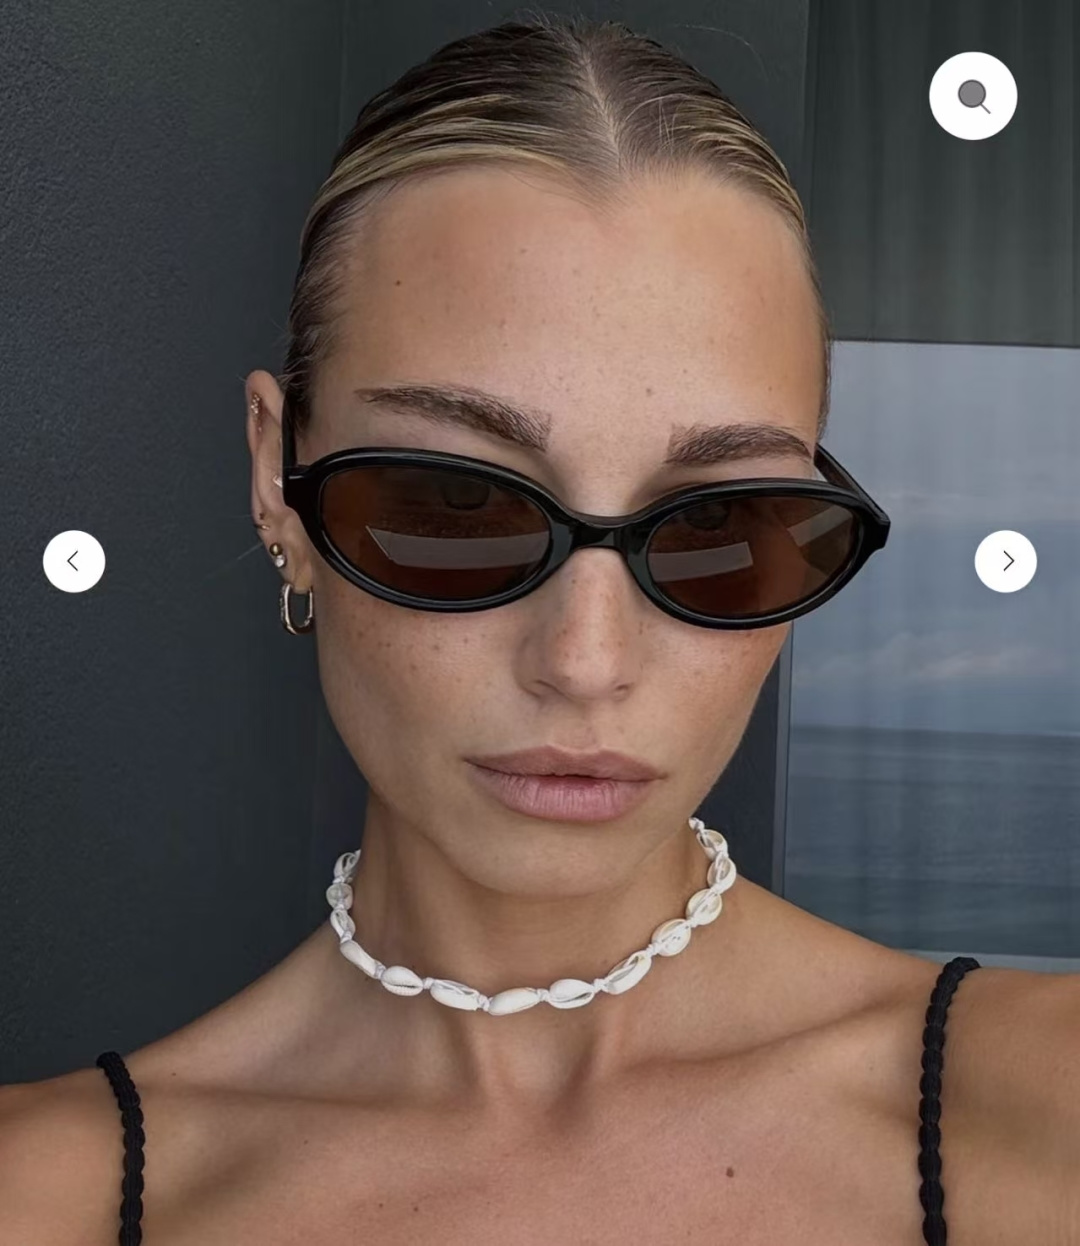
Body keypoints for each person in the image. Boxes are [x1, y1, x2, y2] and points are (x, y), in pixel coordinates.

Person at [1, 14, 1076, 1246]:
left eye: (717, 521)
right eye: (456, 505)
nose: (585, 661)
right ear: (276, 483)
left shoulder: (1046, 1109)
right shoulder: (47, 1197)